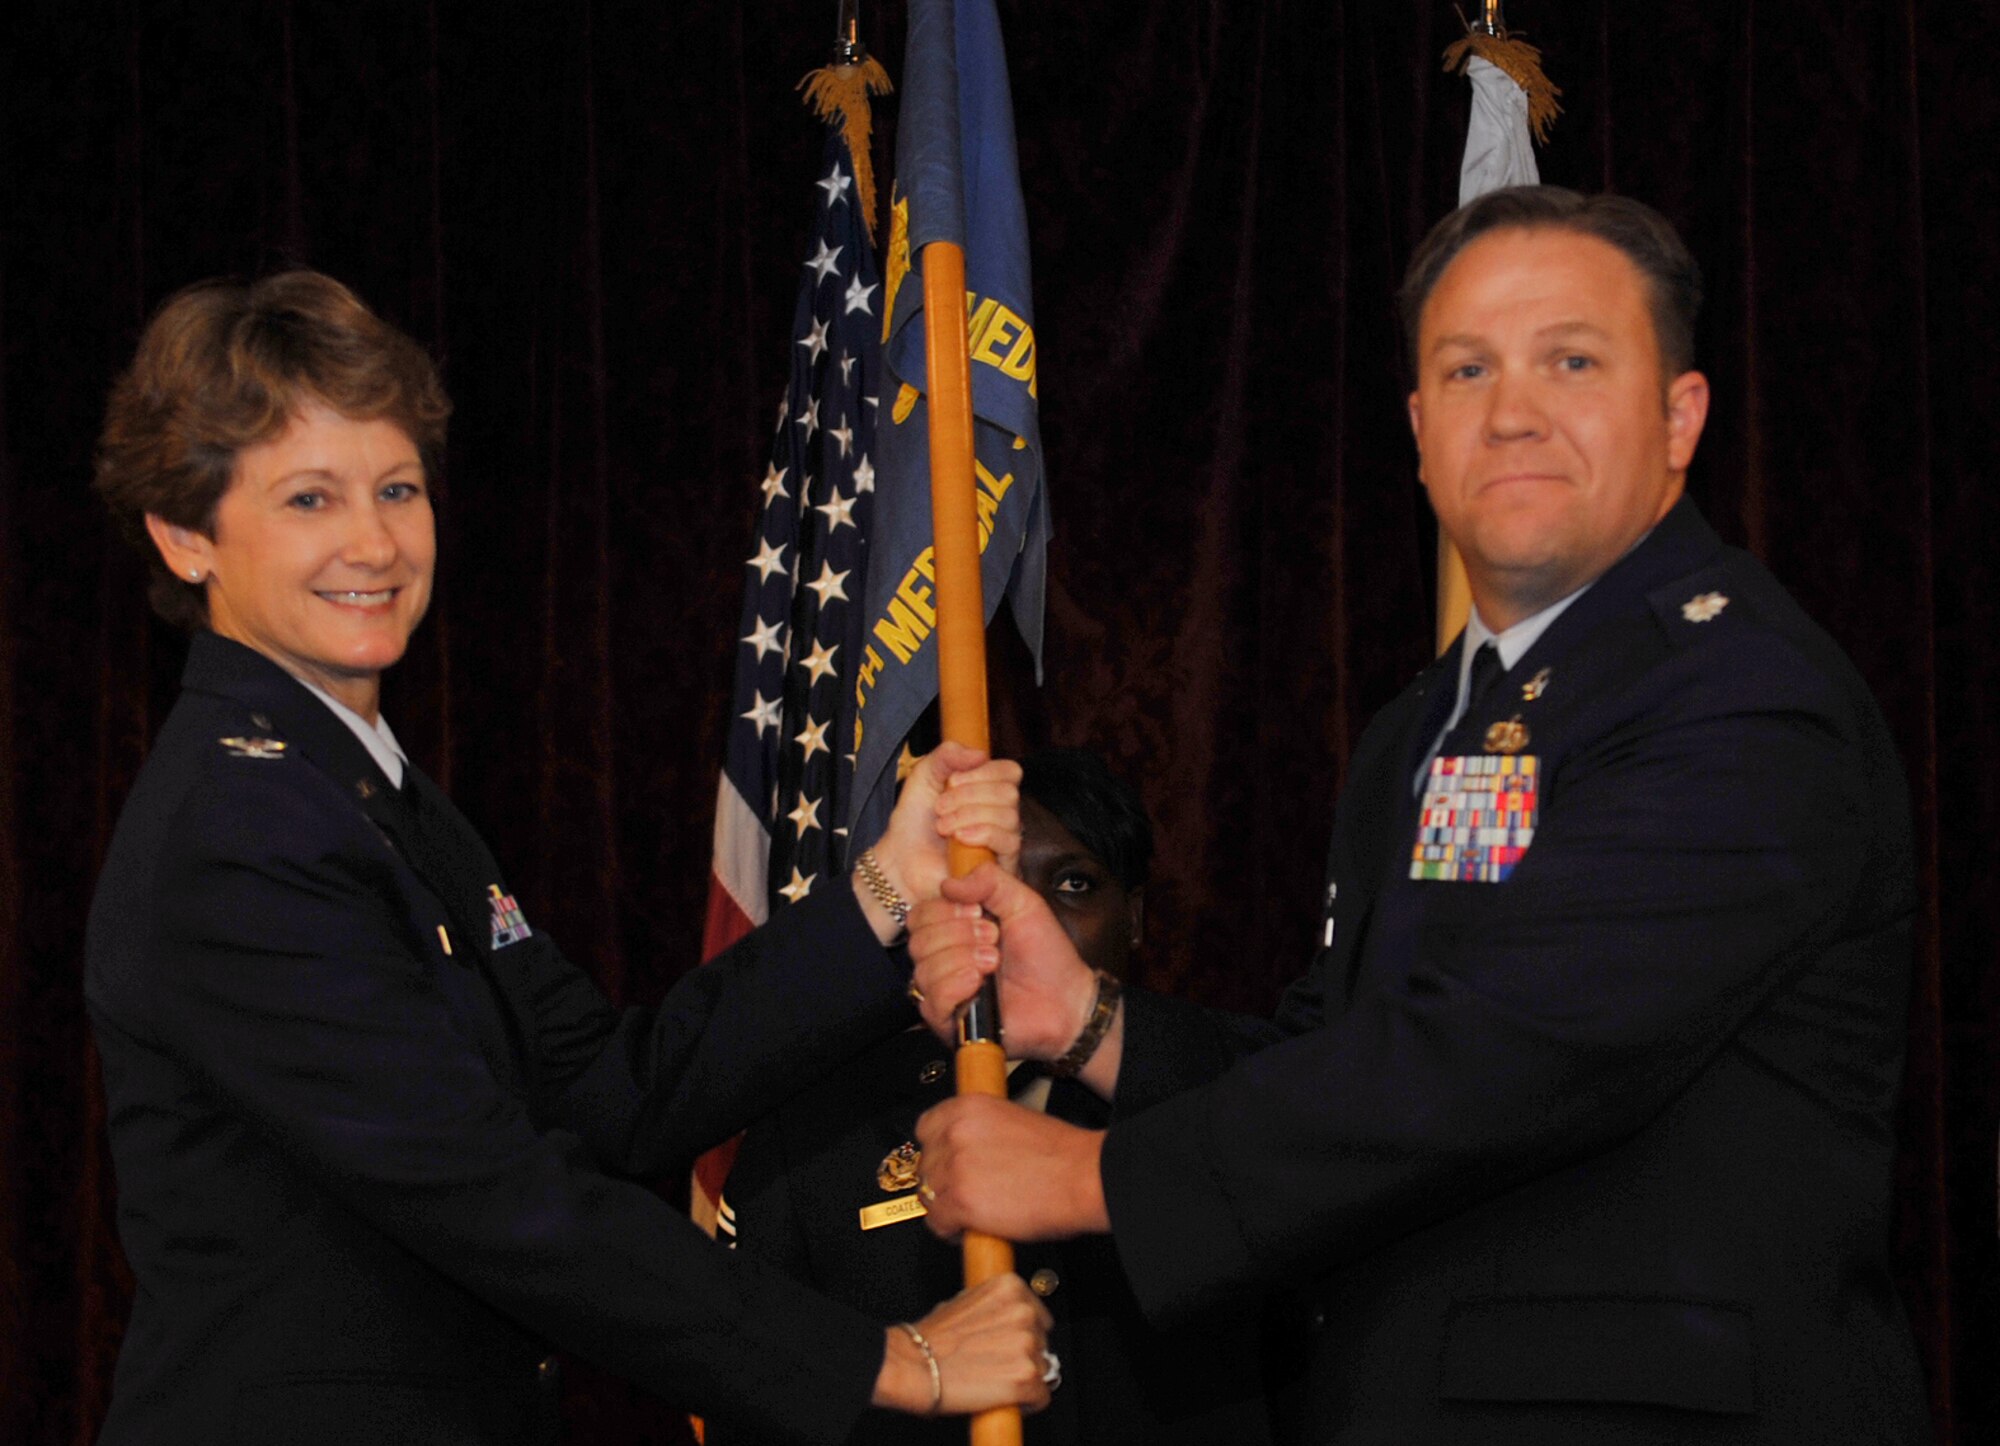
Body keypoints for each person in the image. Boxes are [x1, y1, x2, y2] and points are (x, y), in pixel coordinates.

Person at [905, 188, 1934, 1443]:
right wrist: (1085, 1022)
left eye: (1570, 359)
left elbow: (1512, 1055)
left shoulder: (1741, 697)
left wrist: (1091, 1176)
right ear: (1415, 429)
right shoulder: (1427, 721)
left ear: (1679, 418)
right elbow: (1345, 1051)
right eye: (1465, 369)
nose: (1510, 411)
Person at [83, 270, 1053, 1446]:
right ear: (186, 536)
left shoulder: (363, 786)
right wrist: (887, 1363)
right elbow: (490, 1193)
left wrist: (885, 886)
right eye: (307, 499)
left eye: (397, 487)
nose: (374, 542)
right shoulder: (239, 827)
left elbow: (609, 1093)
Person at [712, 749, 1276, 1445]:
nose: (1024, 919)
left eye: (1072, 884)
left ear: (1133, 917)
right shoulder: (816, 1126)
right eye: (988, 887)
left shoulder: (1234, 1081)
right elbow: (759, 1400)